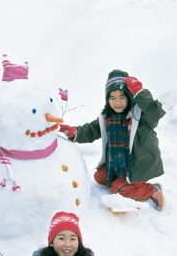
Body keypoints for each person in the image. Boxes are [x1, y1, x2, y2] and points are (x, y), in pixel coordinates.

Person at [59, 70, 167, 211]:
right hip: (120, 162)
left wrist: (140, 92)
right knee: (100, 177)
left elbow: (155, 111)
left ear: (129, 96)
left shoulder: (142, 115)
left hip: (140, 164)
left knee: (118, 188)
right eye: (112, 97)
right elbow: (91, 130)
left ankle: (153, 190)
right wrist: (75, 132)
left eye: (122, 97)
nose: (117, 102)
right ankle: (127, 181)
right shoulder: (107, 117)